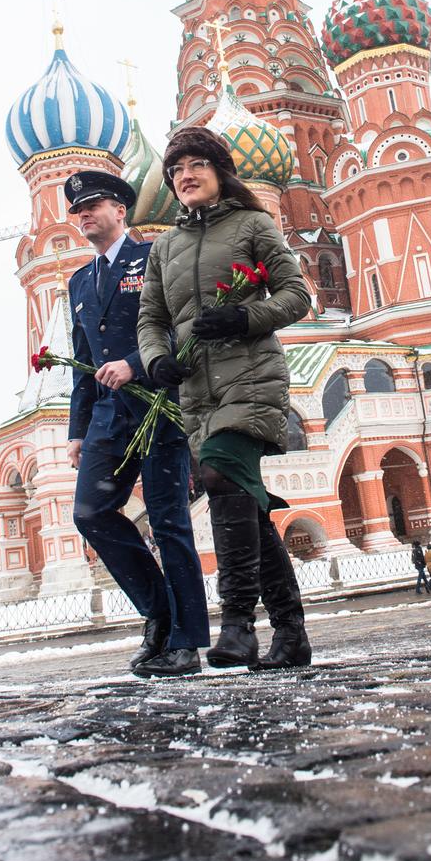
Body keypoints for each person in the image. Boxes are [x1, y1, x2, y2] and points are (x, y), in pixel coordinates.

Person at [137, 128, 314, 671]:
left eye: (195, 165)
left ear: (219, 170)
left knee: (217, 476)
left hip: (251, 378)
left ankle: (237, 622)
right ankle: (291, 631)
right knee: (246, 506)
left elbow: (296, 297)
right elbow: (151, 319)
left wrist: (244, 315)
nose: (184, 176)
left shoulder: (253, 224)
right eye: (175, 171)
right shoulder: (164, 246)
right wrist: (156, 361)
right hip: (196, 391)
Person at [65, 170, 209, 678]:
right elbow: (83, 362)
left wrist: (135, 362)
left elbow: (178, 328)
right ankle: (159, 613)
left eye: (93, 205)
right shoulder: (78, 282)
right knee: (91, 512)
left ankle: (186, 642)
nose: (84, 214)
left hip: (158, 406)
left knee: (170, 520)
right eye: (77, 209)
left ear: (120, 210)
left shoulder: (153, 257)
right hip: (108, 418)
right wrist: (77, 431)